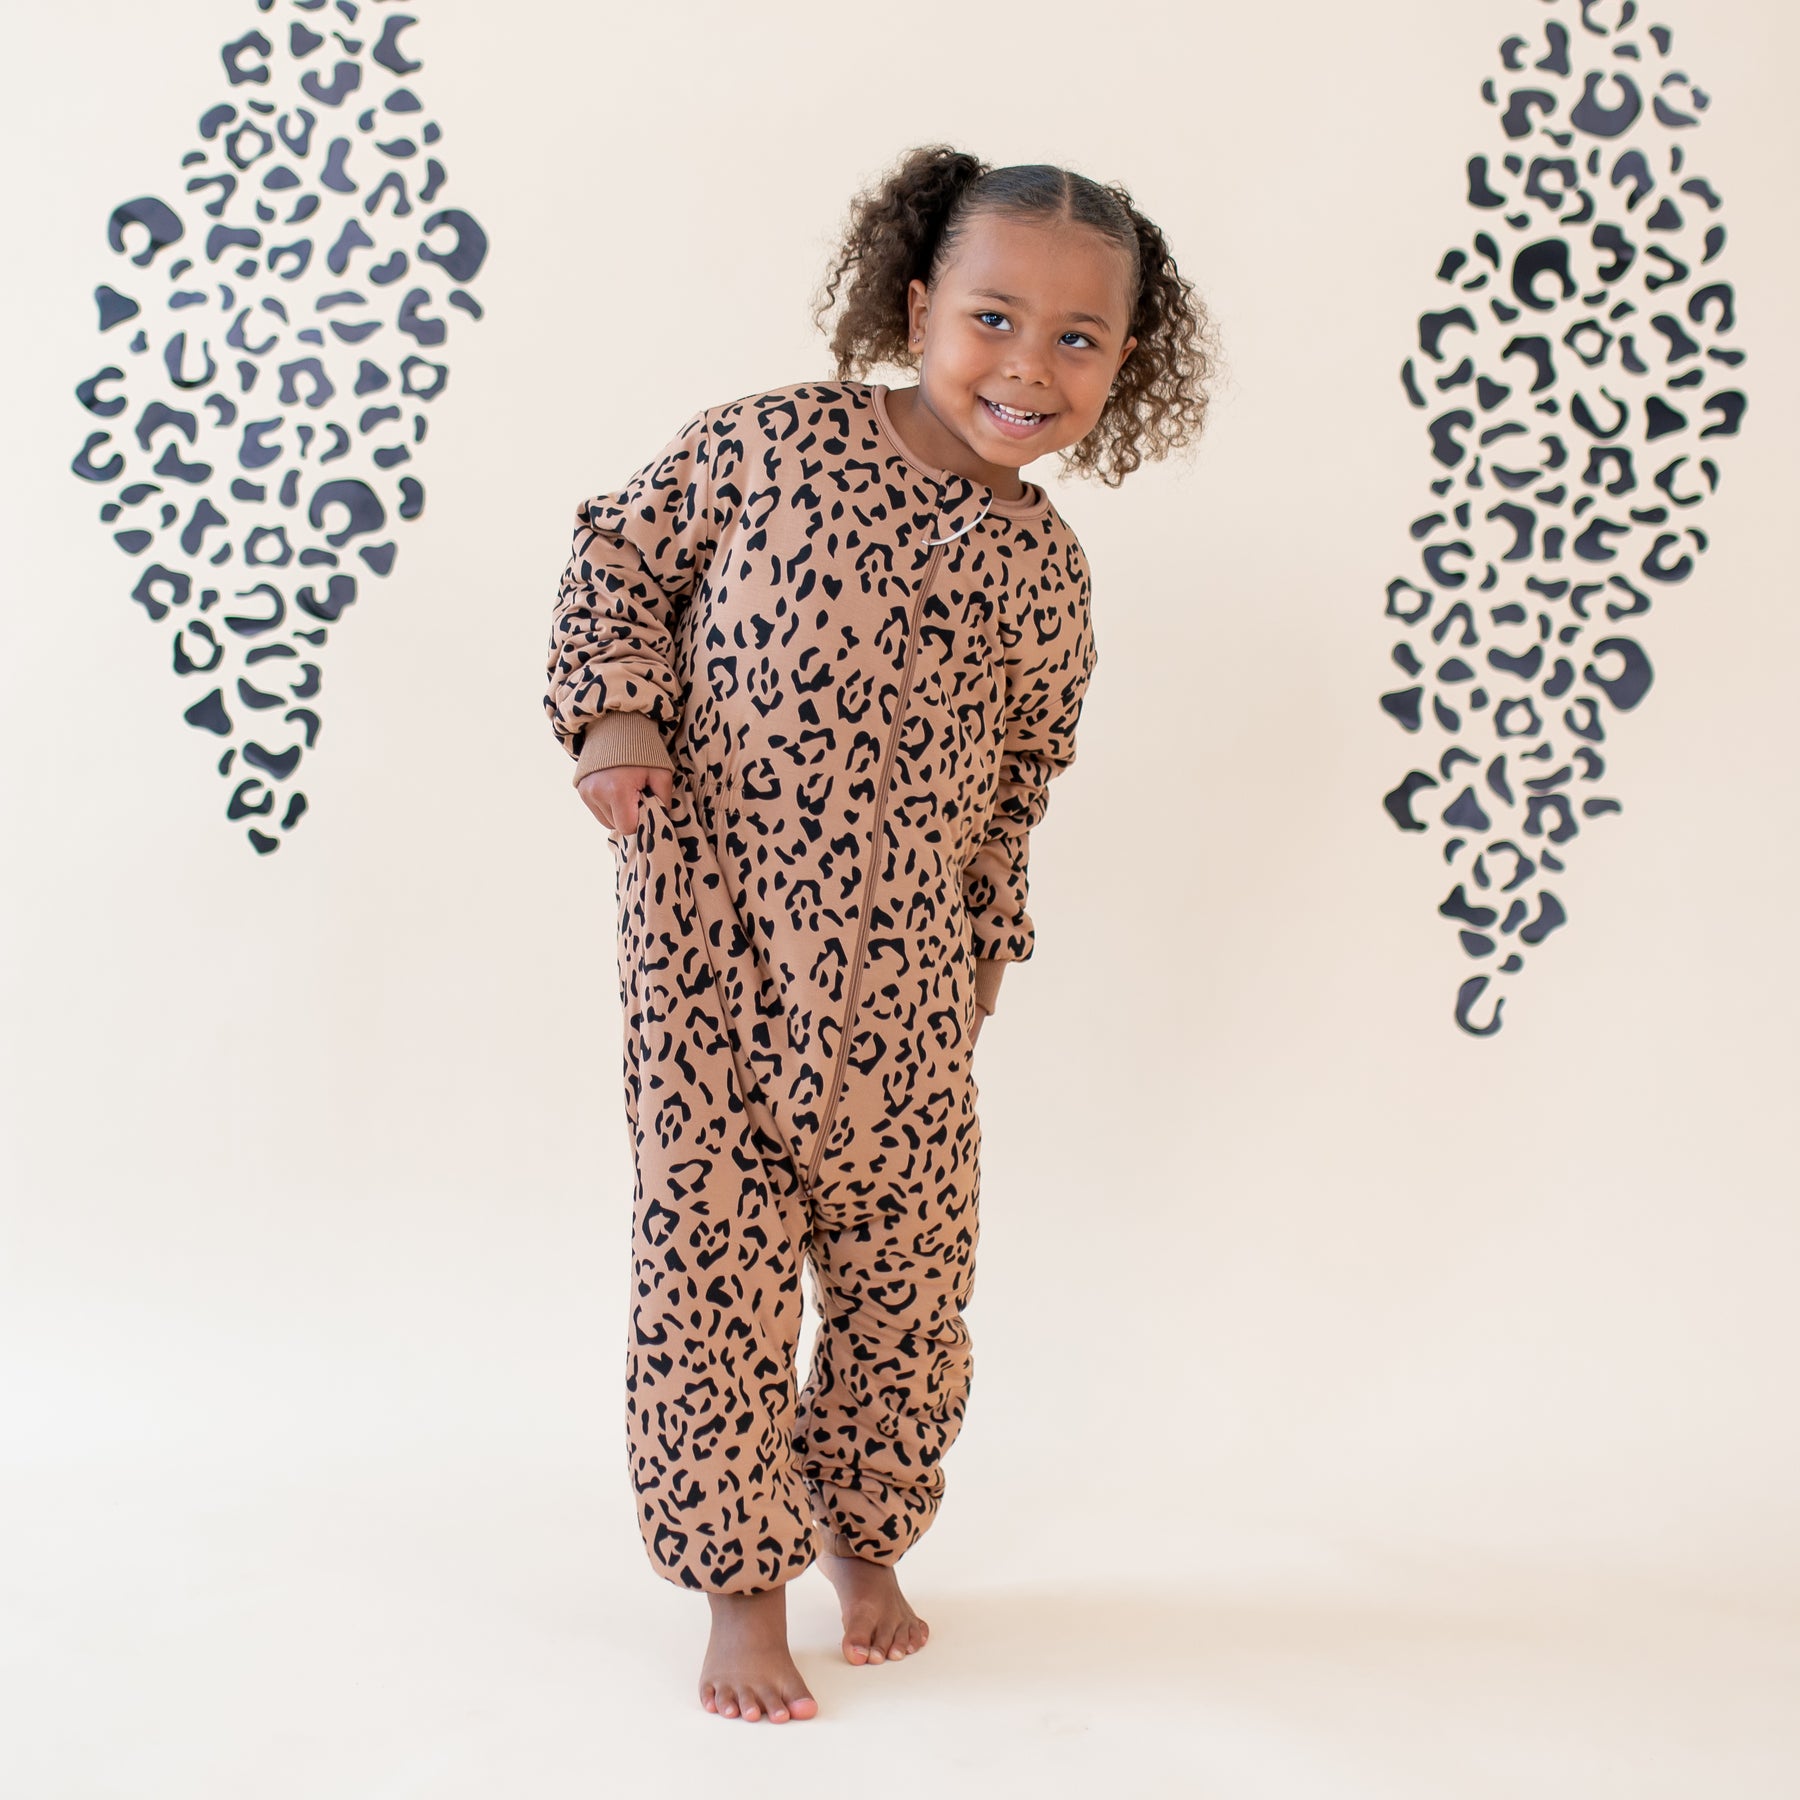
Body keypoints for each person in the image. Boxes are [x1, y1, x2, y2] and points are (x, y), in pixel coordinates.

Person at [544, 143, 1212, 1723]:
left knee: (909, 1294)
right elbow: (615, 555)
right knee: (716, 1283)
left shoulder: (1044, 566)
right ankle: (740, 1589)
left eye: (1077, 339)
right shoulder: (766, 448)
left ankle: (870, 1537)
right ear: (914, 308)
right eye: (993, 317)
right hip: (712, 967)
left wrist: (989, 942)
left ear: (1126, 365)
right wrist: (614, 721)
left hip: (914, 1002)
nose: (1027, 366)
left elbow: (1025, 773)